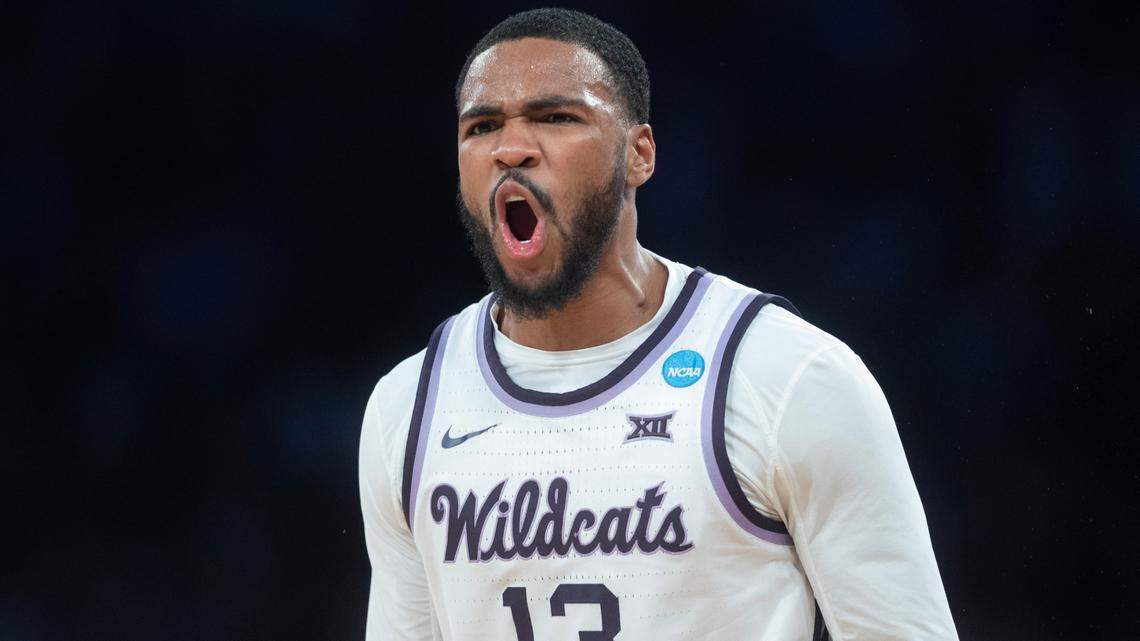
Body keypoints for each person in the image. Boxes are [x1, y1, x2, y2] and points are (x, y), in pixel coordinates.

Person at [359, 8, 958, 640]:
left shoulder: (784, 377)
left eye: (556, 117)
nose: (511, 148)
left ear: (638, 154)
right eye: (482, 126)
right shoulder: (409, 405)